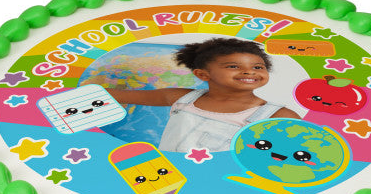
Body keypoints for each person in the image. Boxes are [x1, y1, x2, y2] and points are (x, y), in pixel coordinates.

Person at [104, 37, 300, 152]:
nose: (249, 72)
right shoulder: (181, 98)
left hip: (225, 185)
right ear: (203, 74)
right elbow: (119, 95)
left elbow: (298, 153)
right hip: (170, 176)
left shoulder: (278, 115)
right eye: (233, 66)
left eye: (258, 67)